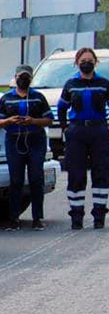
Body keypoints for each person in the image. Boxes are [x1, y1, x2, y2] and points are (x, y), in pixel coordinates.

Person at [0, 65, 53, 231]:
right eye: (21, 76)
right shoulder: (6, 98)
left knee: (36, 178)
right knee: (16, 180)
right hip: (14, 140)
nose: (24, 79)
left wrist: (33, 121)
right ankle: (13, 219)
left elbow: (49, 119)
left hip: (35, 140)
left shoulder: (38, 97)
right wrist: (9, 120)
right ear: (15, 77)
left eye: (27, 77)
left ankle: (38, 218)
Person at [56, 47, 109, 229]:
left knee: (101, 172)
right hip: (77, 132)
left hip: (99, 131)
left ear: (95, 62)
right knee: (76, 174)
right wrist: (65, 128)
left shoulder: (103, 83)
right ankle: (76, 216)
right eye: (83, 60)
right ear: (77, 63)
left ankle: (99, 215)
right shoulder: (71, 84)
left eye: (90, 60)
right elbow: (62, 107)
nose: (86, 63)